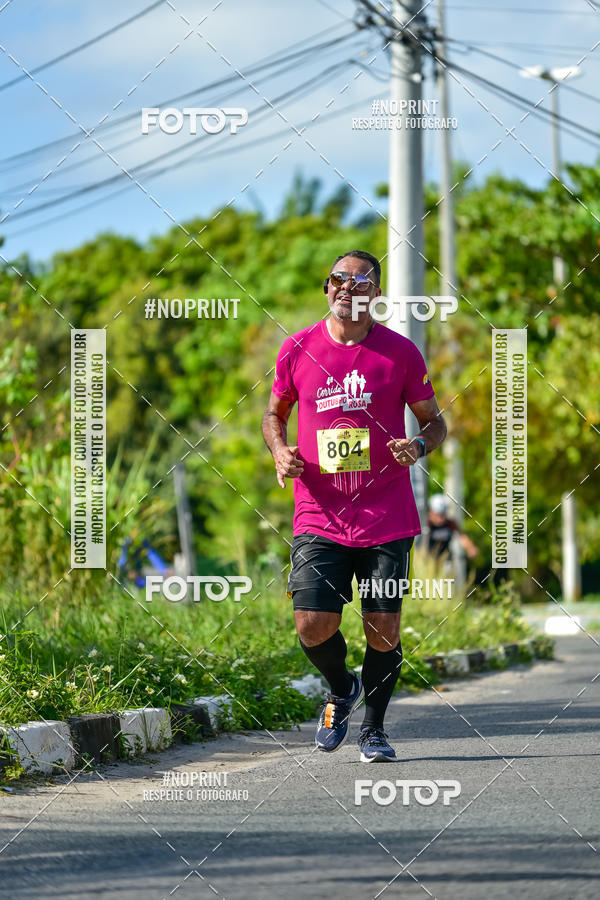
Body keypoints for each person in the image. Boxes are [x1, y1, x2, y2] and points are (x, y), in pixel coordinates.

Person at [262, 250, 446, 762]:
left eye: (360, 281)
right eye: (338, 280)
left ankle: (374, 731)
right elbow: (273, 416)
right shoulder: (297, 348)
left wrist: (420, 446)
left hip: (386, 515)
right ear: (326, 290)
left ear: (375, 294)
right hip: (318, 514)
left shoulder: (401, 353)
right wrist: (280, 451)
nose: (347, 287)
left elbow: (435, 422)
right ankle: (342, 689)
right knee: (311, 624)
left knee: (382, 628)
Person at [428, 493, 478, 561]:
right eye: (438, 515)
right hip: (427, 560)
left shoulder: (450, 524)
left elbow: (461, 536)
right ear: (431, 512)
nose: (441, 518)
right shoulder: (426, 524)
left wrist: (470, 548)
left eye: (443, 515)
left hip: (445, 560)